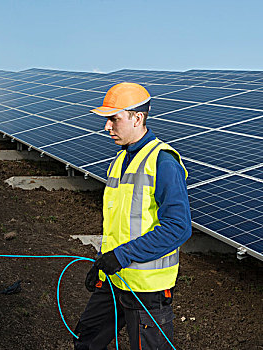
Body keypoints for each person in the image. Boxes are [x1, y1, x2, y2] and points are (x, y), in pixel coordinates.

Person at [74, 83, 192, 350]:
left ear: (137, 118)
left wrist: (122, 256)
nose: (107, 127)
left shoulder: (163, 162)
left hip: (146, 288)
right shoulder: (119, 160)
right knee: (88, 339)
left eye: (114, 119)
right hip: (115, 278)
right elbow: (122, 224)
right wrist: (103, 264)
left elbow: (178, 227)